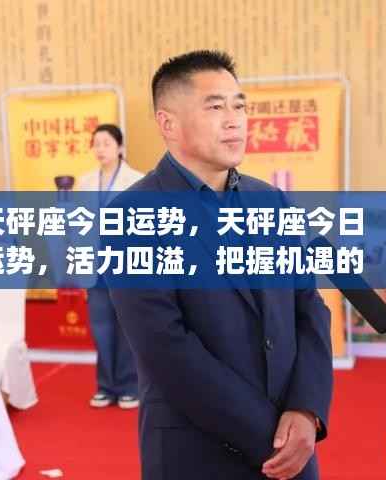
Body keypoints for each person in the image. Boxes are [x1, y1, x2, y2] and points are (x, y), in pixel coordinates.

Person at [108, 51, 333, 479]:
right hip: (197, 451)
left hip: (293, 449)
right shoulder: (132, 213)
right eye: (215, 107)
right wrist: (271, 435)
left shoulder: (270, 200)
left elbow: (309, 306)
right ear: (168, 124)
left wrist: (307, 410)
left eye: (239, 106)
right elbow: (165, 346)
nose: (234, 121)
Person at [77, 124, 143, 409]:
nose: (100, 149)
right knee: (101, 328)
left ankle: (129, 386)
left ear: (120, 147)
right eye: (96, 144)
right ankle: (105, 386)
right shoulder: (85, 182)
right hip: (96, 267)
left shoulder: (136, 180)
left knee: (127, 328)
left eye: (106, 143)